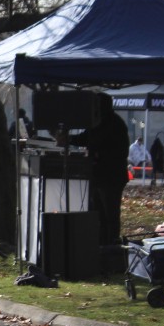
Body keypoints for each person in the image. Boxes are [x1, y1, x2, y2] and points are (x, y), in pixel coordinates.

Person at [69, 94, 130, 245]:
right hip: (101, 176)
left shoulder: (111, 123)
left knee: (109, 214)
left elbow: (94, 141)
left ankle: (111, 244)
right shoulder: (102, 122)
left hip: (110, 177)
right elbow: (86, 138)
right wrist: (69, 139)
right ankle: (102, 244)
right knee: (100, 214)